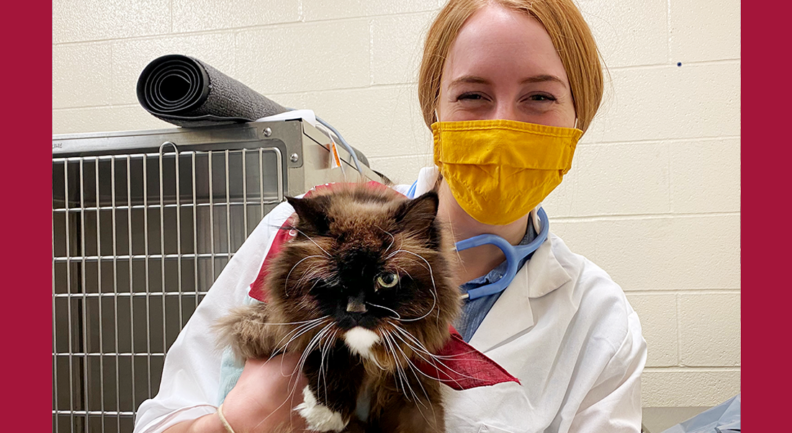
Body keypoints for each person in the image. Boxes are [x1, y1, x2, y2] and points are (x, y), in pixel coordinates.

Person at [134, 0, 647, 432]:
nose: (502, 123)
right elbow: (163, 416)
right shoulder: (298, 237)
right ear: (435, 111)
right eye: (472, 95)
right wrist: (237, 421)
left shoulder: (600, 321)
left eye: (540, 96)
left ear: (579, 116)